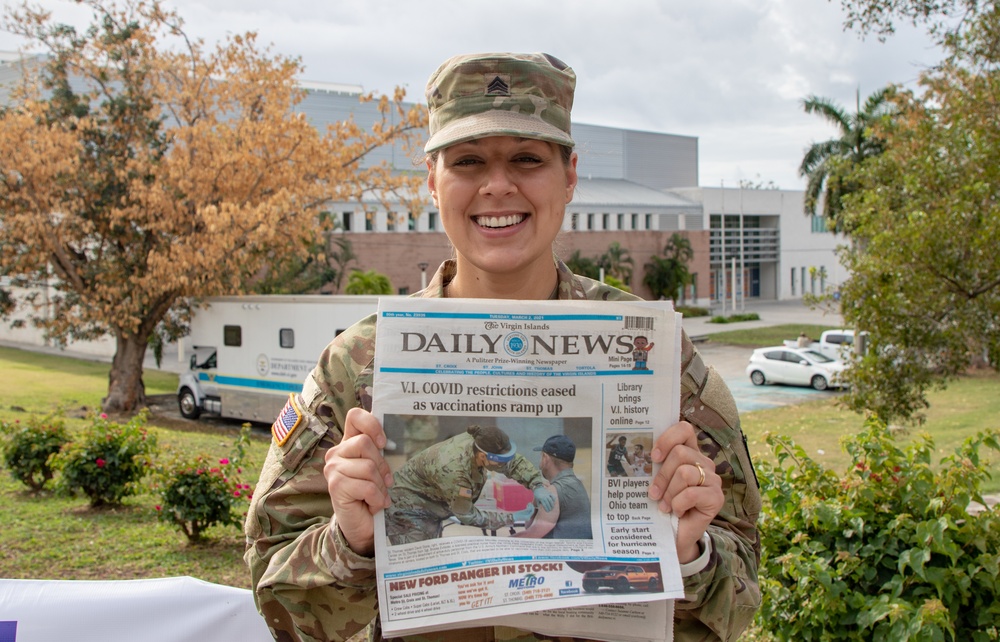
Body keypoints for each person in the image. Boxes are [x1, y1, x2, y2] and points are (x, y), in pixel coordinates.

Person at [245, 52, 761, 642]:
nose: (497, 186)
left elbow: (741, 597)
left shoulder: (658, 357)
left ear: (569, 175)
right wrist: (349, 542)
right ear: (432, 182)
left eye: (526, 159)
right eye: (468, 161)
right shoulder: (354, 365)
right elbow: (274, 591)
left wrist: (689, 554)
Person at [384, 424, 554, 544]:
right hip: (407, 511)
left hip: (431, 501)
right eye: (500, 461)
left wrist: (536, 484)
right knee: (418, 562)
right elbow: (468, 515)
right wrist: (511, 518)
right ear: (482, 457)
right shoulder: (456, 472)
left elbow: (512, 463)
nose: (505, 464)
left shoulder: (482, 442)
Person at [513, 434, 592, 540]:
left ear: (545, 458)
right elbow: (529, 526)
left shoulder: (553, 490)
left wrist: (506, 541)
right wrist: (535, 501)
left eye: (541, 456)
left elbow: (534, 533)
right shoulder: (577, 484)